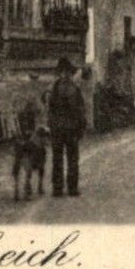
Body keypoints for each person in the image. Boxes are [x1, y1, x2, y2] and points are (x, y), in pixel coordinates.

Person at [44, 57, 87, 196]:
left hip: (64, 128)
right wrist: (81, 127)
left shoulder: (55, 87)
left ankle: (64, 189)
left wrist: (80, 126)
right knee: (65, 159)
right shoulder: (68, 88)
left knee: (66, 159)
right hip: (64, 128)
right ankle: (65, 188)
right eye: (63, 72)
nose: (65, 74)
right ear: (61, 73)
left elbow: (80, 110)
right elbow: (80, 109)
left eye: (67, 72)